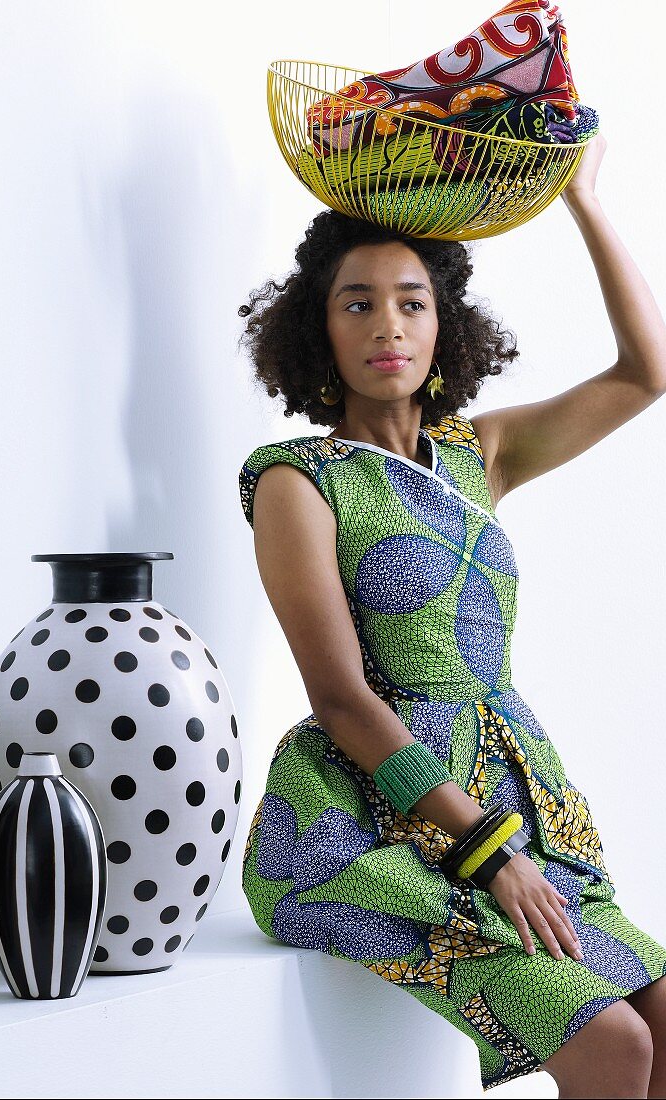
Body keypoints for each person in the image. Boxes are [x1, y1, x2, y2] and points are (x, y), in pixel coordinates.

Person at [236, 132, 666, 1098]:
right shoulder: (297, 482)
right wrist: (489, 854)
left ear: (442, 327)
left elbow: (648, 371)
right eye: (358, 303)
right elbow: (340, 697)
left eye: (411, 302)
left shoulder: (483, 455)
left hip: (520, 800)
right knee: (616, 1047)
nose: (387, 325)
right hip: (372, 829)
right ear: (322, 331)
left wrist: (583, 203)